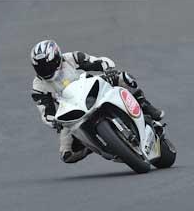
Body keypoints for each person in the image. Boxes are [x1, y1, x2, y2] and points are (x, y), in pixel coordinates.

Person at [31, 40, 164, 164]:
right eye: (41, 68)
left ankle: (144, 104)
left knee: (123, 78)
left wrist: (108, 69)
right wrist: (54, 121)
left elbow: (99, 62)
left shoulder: (72, 58)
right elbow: (45, 111)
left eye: (47, 66)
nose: (45, 71)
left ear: (57, 59)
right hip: (73, 111)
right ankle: (90, 145)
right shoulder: (39, 86)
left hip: (94, 89)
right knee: (67, 155)